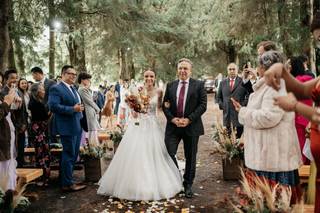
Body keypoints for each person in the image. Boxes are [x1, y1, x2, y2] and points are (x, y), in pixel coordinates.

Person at [98, 69, 182, 201]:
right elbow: (133, 110)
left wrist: (167, 106)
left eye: (151, 76)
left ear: (154, 78)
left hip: (153, 125)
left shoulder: (159, 91)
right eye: (146, 76)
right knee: (137, 153)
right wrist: (135, 109)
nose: (149, 78)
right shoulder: (137, 90)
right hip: (138, 125)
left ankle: (154, 184)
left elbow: (159, 107)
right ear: (143, 77)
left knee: (154, 153)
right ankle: (133, 185)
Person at [231, 51, 302, 204]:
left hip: (272, 158)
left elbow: (269, 117)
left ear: (265, 68)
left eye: (260, 65)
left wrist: (243, 112)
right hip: (268, 155)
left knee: (273, 202)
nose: (258, 68)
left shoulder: (276, 86)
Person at [162, 58, 207, 198]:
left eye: (185, 68)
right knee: (168, 152)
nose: (182, 71)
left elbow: (203, 105)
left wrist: (189, 119)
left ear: (190, 70)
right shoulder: (170, 85)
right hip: (173, 127)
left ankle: (188, 184)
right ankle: (176, 178)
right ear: (177, 70)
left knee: (190, 157)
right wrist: (173, 119)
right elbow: (165, 105)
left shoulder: (199, 85)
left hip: (191, 127)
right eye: (180, 68)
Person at [48, 65, 86, 192]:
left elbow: (76, 105)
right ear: (63, 74)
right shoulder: (56, 88)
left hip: (76, 125)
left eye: (75, 74)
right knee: (68, 154)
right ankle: (66, 184)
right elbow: (53, 106)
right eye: (70, 74)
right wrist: (72, 109)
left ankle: (68, 179)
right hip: (66, 126)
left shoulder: (73, 88)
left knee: (74, 155)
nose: (73, 76)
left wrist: (79, 111)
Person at [216, 63, 252, 138]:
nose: (232, 71)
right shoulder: (222, 83)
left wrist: (243, 105)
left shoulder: (243, 81)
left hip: (239, 115)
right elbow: (218, 97)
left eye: (234, 69)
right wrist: (222, 105)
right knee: (228, 140)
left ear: (237, 70)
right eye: (230, 69)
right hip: (227, 116)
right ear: (227, 71)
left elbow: (250, 94)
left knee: (240, 140)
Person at [0, 69, 27, 168]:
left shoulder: (19, 91)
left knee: (20, 150)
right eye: (12, 78)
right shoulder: (3, 92)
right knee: (11, 151)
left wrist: (24, 124)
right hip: (10, 126)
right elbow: (6, 110)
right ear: (6, 80)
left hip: (21, 125)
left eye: (16, 78)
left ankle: (20, 168)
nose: (14, 80)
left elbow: (23, 110)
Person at [289, 57, 314, 164]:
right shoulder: (310, 80)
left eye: (290, 65)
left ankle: (300, 174)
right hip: (309, 118)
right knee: (308, 147)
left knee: (299, 148)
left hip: (297, 119)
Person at [28, 83, 51, 186]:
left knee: (41, 153)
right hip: (40, 132)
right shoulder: (36, 104)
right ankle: (43, 178)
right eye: (42, 89)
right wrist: (52, 111)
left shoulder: (35, 102)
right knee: (42, 154)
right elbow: (45, 118)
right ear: (37, 92)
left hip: (38, 131)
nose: (44, 91)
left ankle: (43, 177)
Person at [0, 89, 18, 190]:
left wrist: (13, 104)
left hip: (7, 138)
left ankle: (9, 193)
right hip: (2, 141)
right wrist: (6, 103)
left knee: (8, 167)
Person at [77, 72, 100, 144]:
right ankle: (92, 151)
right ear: (82, 80)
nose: (89, 81)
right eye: (88, 79)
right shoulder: (82, 89)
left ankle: (93, 150)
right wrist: (98, 109)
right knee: (91, 134)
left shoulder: (85, 89)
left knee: (93, 133)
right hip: (88, 112)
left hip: (91, 111)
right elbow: (90, 101)